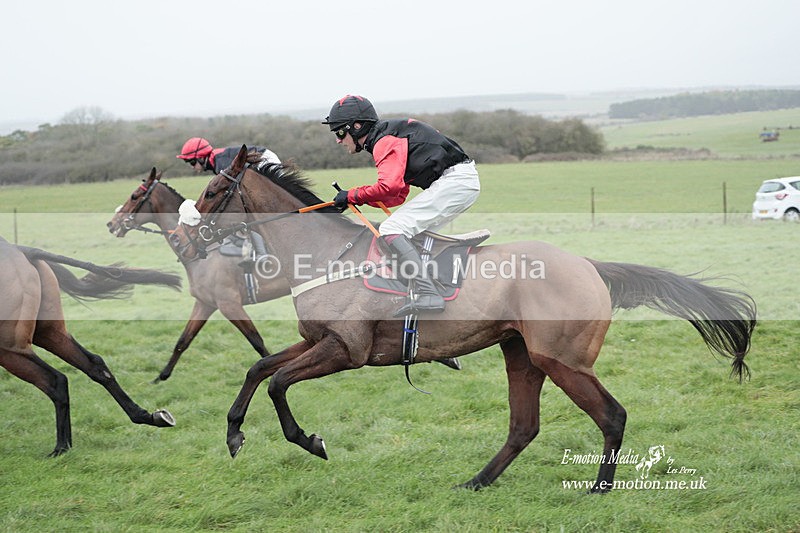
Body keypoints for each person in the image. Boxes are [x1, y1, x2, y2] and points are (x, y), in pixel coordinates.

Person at [323, 95, 480, 316]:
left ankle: (429, 294)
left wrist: (353, 195)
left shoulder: (384, 141)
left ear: (356, 127)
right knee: (409, 235)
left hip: (455, 183)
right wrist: (353, 199)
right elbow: (397, 195)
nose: (338, 140)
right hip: (458, 182)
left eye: (340, 132)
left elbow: (389, 186)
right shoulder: (386, 136)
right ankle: (431, 290)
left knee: (391, 229)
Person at [176, 137, 281, 173]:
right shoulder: (215, 162)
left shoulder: (220, 163)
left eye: (192, 162)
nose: (192, 166)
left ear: (202, 158)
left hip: (264, 159)